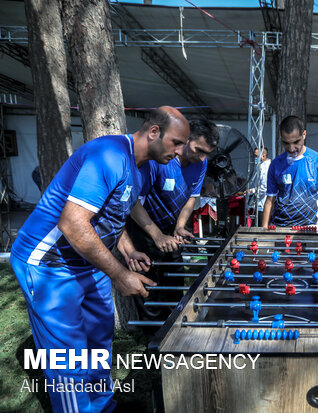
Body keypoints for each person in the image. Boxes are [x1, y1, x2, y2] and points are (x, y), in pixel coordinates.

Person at [10, 106, 190, 413]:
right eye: (177, 142)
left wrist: (129, 250)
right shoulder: (108, 155)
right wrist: (120, 275)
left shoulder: (140, 166)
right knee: (67, 356)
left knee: (98, 337)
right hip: (49, 264)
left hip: (85, 260)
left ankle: (103, 406)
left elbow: (115, 212)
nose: (180, 151)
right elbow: (73, 224)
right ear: (154, 132)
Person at [124, 119, 219, 322]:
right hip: (144, 228)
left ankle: (173, 327)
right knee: (149, 282)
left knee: (174, 282)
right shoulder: (159, 161)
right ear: (185, 140)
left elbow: (192, 197)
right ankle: (152, 339)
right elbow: (134, 203)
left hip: (169, 229)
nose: (202, 157)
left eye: (206, 153)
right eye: (198, 150)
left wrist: (179, 227)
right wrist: (157, 236)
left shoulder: (201, 164)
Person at [262, 115, 318, 231]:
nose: (291, 148)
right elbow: (270, 200)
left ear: (304, 134)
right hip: (279, 227)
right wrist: (263, 229)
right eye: (286, 143)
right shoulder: (275, 164)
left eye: (296, 142)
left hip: (309, 229)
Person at [249, 147, 271, 224]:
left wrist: (252, 190)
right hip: (258, 203)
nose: (255, 158)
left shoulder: (266, 167)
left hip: (263, 203)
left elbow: (264, 187)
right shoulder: (260, 166)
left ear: (263, 156)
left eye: (256, 156)